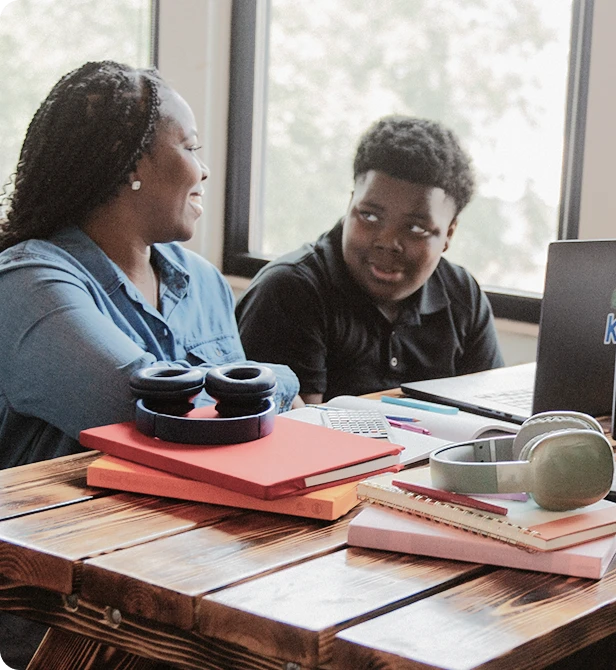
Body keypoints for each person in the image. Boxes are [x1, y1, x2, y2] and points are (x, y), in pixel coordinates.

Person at [0, 60, 298, 669]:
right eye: (188, 146)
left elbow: (240, 444)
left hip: (187, 576)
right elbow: (136, 408)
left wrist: (262, 396)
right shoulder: (29, 280)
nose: (205, 167)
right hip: (57, 610)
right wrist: (282, 381)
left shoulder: (205, 283)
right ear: (130, 164)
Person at [236, 115, 504, 404]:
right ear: (351, 203)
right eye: (370, 216)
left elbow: (488, 419)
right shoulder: (289, 291)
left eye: (416, 228)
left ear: (449, 234)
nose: (387, 242)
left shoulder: (462, 294)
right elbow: (297, 437)